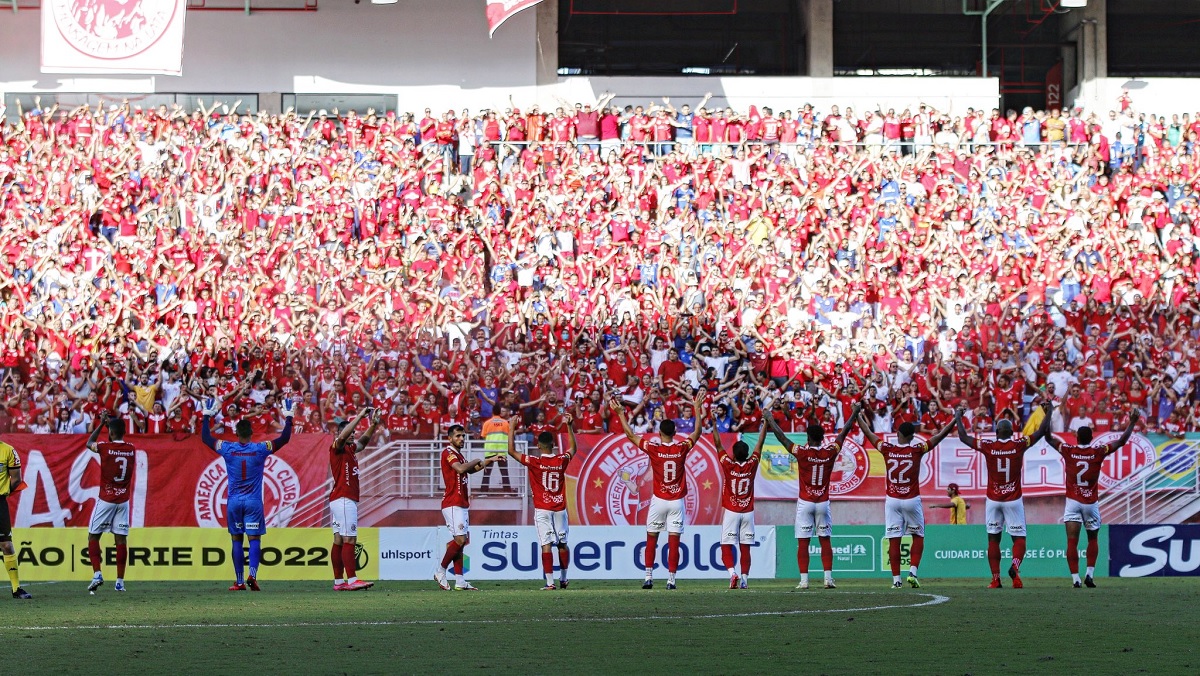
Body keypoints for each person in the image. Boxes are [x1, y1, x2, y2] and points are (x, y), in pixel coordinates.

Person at [609, 391, 705, 590]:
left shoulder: (653, 448)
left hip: (659, 500)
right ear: (675, 432)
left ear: (659, 433)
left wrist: (620, 413)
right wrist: (697, 409)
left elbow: (630, 435)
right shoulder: (681, 448)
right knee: (674, 541)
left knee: (651, 538)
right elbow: (697, 433)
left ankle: (648, 577)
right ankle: (671, 580)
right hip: (676, 501)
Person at [200, 394, 295, 591]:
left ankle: (240, 581)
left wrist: (207, 416)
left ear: (236, 433)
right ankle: (253, 575)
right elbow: (284, 438)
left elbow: (206, 438)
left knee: (236, 539)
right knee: (254, 539)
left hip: (233, 501)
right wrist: (288, 417)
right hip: (253, 501)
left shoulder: (227, 448)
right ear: (251, 433)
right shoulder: (261, 448)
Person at [955, 401, 1053, 589]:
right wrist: (1049, 412)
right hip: (1013, 499)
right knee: (1019, 538)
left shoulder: (988, 445)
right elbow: (1040, 432)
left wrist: (958, 417)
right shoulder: (1019, 444)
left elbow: (963, 437)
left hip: (993, 499)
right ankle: (1015, 570)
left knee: (993, 538)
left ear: (997, 432)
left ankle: (995, 579)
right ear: (1011, 433)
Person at [767, 402, 861, 590]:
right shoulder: (830, 451)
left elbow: (782, 438)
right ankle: (828, 579)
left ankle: (804, 581)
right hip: (823, 502)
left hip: (805, 502)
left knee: (803, 541)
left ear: (808, 437)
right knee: (825, 539)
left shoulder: (801, 452)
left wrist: (769, 419)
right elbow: (844, 432)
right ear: (823, 438)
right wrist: (855, 413)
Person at [858, 409, 956, 589]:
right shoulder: (917, 449)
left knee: (894, 539)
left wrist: (857, 415)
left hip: (892, 500)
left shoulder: (887, 448)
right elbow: (939, 436)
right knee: (918, 535)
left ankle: (896, 580)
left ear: (897, 434)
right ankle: (912, 572)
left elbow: (868, 433)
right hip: (911, 499)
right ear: (912, 437)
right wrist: (954, 420)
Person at [1046, 409, 1139, 588]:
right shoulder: (1098, 451)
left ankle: (1075, 579)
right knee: (1092, 540)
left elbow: (1049, 438)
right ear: (1091, 438)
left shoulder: (1068, 450)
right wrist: (1132, 422)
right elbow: (1121, 441)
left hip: (1072, 502)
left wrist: (1048, 415)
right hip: (1090, 503)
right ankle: (1089, 575)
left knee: (1072, 541)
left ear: (1077, 438)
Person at [507, 413, 578, 590]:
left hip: (543, 509)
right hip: (560, 508)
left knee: (546, 545)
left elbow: (511, 451)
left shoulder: (534, 461)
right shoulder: (561, 460)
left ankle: (550, 582)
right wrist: (569, 426)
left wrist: (511, 428)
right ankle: (564, 579)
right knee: (562, 544)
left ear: (538, 446)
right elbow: (573, 449)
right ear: (553, 445)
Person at [435, 424, 504, 591]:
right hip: (453, 502)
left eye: (463, 436)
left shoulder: (459, 454)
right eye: (458, 436)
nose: (461, 439)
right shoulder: (448, 453)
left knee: (461, 541)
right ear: (449, 438)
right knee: (460, 540)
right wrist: (476, 460)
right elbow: (460, 469)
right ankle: (440, 571)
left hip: (461, 502)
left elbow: (472, 470)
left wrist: (490, 460)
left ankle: (460, 580)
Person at [329, 407, 384, 591]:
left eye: (354, 432)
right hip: (344, 498)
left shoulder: (350, 449)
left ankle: (339, 582)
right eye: (349, 432)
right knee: (349, 539)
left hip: (340, 499)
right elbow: (343, 436)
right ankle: (352, 580)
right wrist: (360, 416)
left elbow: (364, 442)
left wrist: (373, 424)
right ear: (340, 434)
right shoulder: (337, 446)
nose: (352, 435)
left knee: (338, 540)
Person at [84, 411, 136, 593]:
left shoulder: (105, 447)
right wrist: (110, 426)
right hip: (123, 500)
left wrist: (100, 424)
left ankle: (97, 573)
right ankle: (120, 582)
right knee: (121, 539)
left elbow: (89, 443)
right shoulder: (131, 448)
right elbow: (115, 439)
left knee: (93, 536)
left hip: (106, 499)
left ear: (110, 433)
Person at [713, 419, 767, 590]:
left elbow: (718, 444)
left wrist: (714, 425)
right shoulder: (752, 464)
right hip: (748, 512)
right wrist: (765, 424)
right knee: (745, 548)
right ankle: (744, 580)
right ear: (748, 453)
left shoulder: (728, 464)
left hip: (732, 511)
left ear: (734, 455)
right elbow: (760, 442)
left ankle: (732, 573)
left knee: (726, 545)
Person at [0, 439, 30, 599]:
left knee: (6, 545)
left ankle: (16, 588)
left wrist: (4, 491)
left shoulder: (8, 451)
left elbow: (16, 478)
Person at [480, 405, 513, 493]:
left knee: (487, 473)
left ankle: (483, 492)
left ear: (492, 412)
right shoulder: (506, 423)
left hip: (490, 450)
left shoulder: (487, 423)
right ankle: (507, 492)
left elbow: (483, 436)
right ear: (500, 412)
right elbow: (509, 436)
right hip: (502, 450)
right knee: (504, 473)